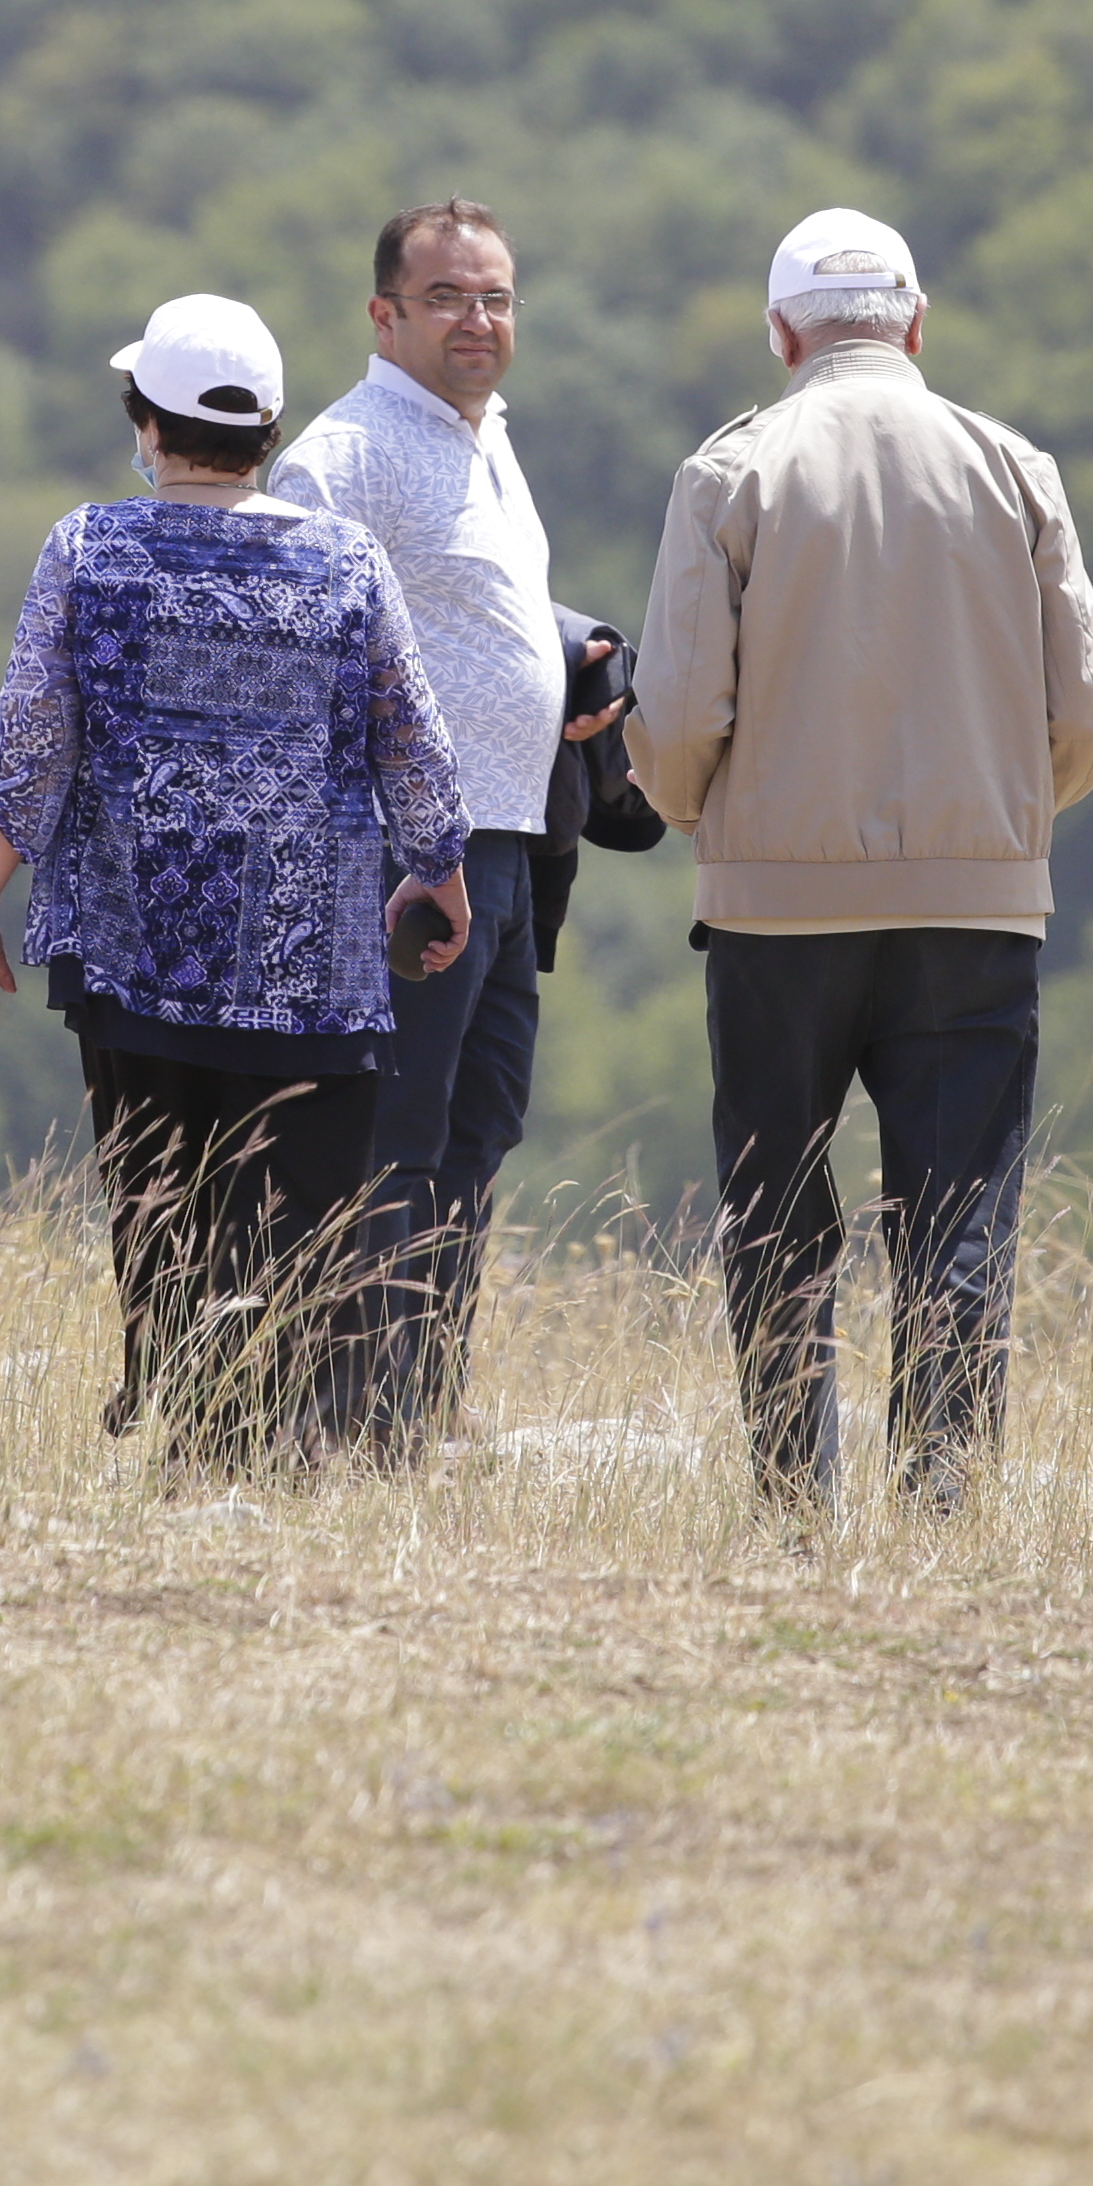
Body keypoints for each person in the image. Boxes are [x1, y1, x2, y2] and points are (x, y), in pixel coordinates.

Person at [0, 293, 475, 1474]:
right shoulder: (345, 559)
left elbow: (30, 753)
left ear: (147, 422)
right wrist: (440, 874)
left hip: (132, 951)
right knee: (297, 1233)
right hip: (311, 973)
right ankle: (267, 1455)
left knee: (161, 1214)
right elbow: (413, 744)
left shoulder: (88, 549)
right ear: (269, 430)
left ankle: (189, 1436)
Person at [632, 209, 1093, 1511]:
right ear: (916, 324)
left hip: (775, 918)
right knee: (958, 1217)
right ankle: (942, 1500)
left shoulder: (729, 472)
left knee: (780, 1219)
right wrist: (1004, 829)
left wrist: (705, 820)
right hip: (978, 912)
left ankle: (799, 1503)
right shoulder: (1015, 468)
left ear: (783, 332)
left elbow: (678, 718)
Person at [264, 198, 625, 1447]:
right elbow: (306, 662)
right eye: (448, 298)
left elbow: (477, 603)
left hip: (518, 840)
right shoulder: (347, 453)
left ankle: (416, 1411)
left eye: (496, 298)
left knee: (477, 1132)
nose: (479, 320)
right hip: (414, 854)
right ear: (383, 315)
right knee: (393, 1136)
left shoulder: (485, 438)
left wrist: (573, 640)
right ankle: (350, 1418)